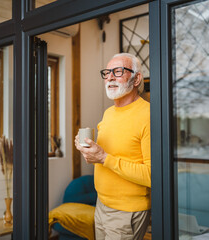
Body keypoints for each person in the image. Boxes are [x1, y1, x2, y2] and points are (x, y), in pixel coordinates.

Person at [75, 53, 151, 240]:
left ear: (136, 79)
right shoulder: (108, 113)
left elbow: (153, 175)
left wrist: (103, 158)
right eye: (107, 72)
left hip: (126, 212)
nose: (109, 77)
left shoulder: (149, 115)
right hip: (101, 204)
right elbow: (106, 156)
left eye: (118, 71)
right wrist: (89, 151)